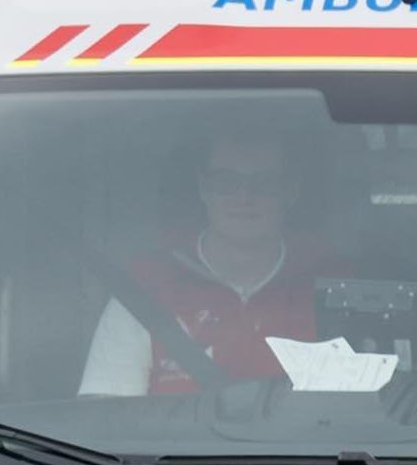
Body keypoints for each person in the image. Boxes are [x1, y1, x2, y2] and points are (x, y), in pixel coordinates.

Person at [77, 124, 326, 396]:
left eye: (264, 183)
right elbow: (107, 421)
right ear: (203, 188)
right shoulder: (143, 291)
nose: (244, 197)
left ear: (290, 191)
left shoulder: (335, 291)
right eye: (225, 182)